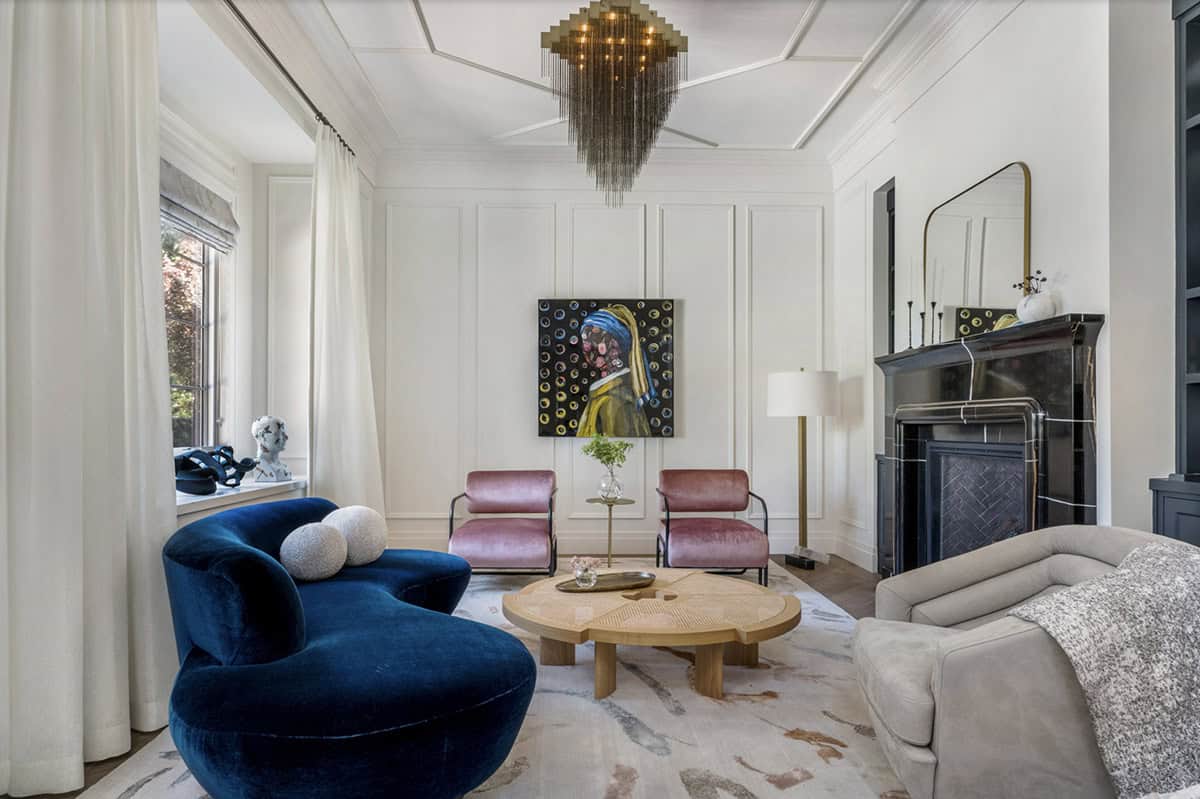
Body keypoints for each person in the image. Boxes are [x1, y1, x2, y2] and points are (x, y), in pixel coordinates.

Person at [577, 304, 654, 437]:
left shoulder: (614, 401)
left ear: (617, 345)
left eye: (596, 339)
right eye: (585, 340)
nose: (587, 347)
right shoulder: (603, 394)